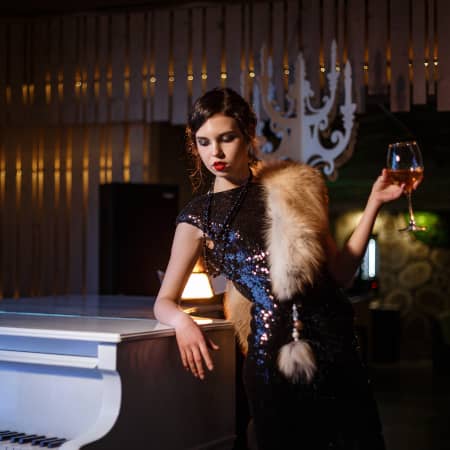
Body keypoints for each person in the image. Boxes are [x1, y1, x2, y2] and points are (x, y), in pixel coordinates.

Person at [154, 87, 406, 450]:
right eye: (204, 142)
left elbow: (340, 273)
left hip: (336, 346)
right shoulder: (198, 216)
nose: (217, 153)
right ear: (195, 145)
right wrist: (181, 322)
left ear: (249, 135)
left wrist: (374, 203)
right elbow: (164, 301)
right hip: (271, 352)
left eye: (227, 138)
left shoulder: (292, 188)